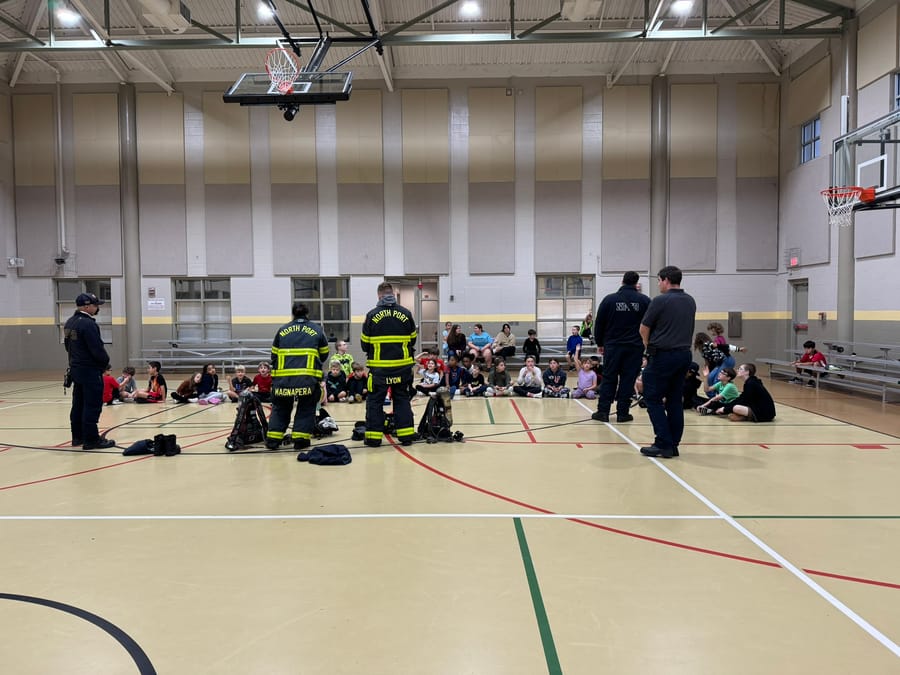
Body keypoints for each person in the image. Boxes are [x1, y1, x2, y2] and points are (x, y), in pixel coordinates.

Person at [638, 266, 697, 459]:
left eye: (658, 280)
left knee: (652, 398)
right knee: (674, 400)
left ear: (665, 280)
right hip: (683, 355)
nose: (658, 284)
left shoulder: (660, 300)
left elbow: (643, 329)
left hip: (663, 355)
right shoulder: (690, 300)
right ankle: (673, 443)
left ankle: (663, 442)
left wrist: (648, 347)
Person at [266, 301, 330, 450]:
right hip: (307, 380)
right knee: (306, 408)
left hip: (283, 382)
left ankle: (273, 440)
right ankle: (300, 440)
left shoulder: (282, 330)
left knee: (280, 408)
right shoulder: (317, 330)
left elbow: (273, 356)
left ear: (293, 313)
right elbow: (324, 353)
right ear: (307, 313)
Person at [360, 281, 417, 447]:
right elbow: (413, 339)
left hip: (379, 370)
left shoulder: (371, 315)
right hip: (403, 368)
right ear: (393, 294)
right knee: (402, 400)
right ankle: (406, 436)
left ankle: (373, 438)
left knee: (375, 402)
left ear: (379, 295)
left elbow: (364, 344)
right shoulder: (406, 313)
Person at [592, 271, 650, 424]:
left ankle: (603, 411)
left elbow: (599, 324)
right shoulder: (645, 301)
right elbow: (651, 324)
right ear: (636, 283)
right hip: (635, 347)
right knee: (628, 380)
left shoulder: (609, 300)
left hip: (613, 346)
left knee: (609, 378)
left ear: (622, 281)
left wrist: (600, 343)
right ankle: (623, 413)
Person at [63, 293, 115, 449]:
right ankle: (91, 439)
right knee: (92, 405)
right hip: (90, 371)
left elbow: (68, 346)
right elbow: (97, 349)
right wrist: (104, 362)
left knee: (78, 404)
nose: (97, 307)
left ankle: (77, 437)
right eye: (95, 305)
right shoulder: (88, 324)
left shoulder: (69, 323)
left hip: (76, 369)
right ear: (87, 306)